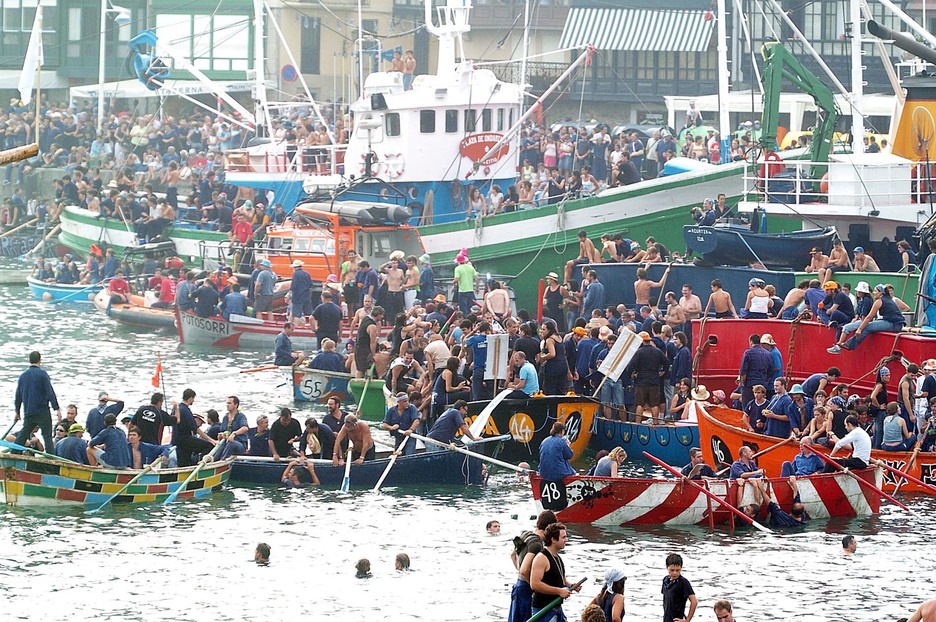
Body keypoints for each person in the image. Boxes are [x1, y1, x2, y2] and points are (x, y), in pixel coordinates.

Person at [509, 510, 559, 622]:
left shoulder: (525, 535)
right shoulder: (536, 544)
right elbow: (524, 569)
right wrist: (532, 584)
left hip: (518, 586)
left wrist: (521, 572)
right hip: (526, 591)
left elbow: (513, 555)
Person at [828, 284, 905, 354]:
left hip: (893, 324)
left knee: (866, 327)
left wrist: (860, 329)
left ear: (881, 293)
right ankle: (846, 344)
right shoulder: (887, 300)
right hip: (895, 323)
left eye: (875, 291)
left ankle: (849, 345)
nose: (873, 292)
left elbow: (869, 317)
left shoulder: (879, 302)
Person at [530, 523, 580, 622]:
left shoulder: (557, 557)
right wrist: (559, 591)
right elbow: (534, 584)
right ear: (553, 539)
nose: (566, 540)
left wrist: (572, 585)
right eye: (563, 537)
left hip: (557, 608)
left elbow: (561, 579)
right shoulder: (541, 558)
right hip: (544, 609)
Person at [14, 350, 60, 453]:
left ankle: (13, 454)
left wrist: (17, 411)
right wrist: (56, 408)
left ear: (29, 360)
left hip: (29, 411)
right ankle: (51, 460)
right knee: (47, 436)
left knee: (23, 434)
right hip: (42, 411)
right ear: (40, 360)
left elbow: (18, 396)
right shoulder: (42, 374)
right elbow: (50, 392)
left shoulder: (23, 376)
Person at [172, 389, 217, 467]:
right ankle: (201, 465)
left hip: (176, 440)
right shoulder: (186, 410)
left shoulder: (175, 409)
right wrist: (210, 440)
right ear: (190, 399)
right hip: (185, 439)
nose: (193, 401)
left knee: (183, 463)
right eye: (193, 399)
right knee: (208, 446)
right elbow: (195, 428)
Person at [661, 553, 697, 622]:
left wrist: (687, 620)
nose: (675, 573)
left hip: (677, 619)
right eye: (672, 570)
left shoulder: (683, 582)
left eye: (677, 570)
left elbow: (694, 601)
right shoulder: (665, 580)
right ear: (667, 567)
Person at [289, 259, 314, 327]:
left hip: (297, 297)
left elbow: (293, 286)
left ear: (295, 267)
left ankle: (295, 327)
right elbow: (311, 285)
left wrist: (288, 295)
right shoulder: (307, 274)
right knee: (309, 313)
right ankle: (312, 326)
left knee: (296, 314)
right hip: (306, 296)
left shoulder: (295, 274)